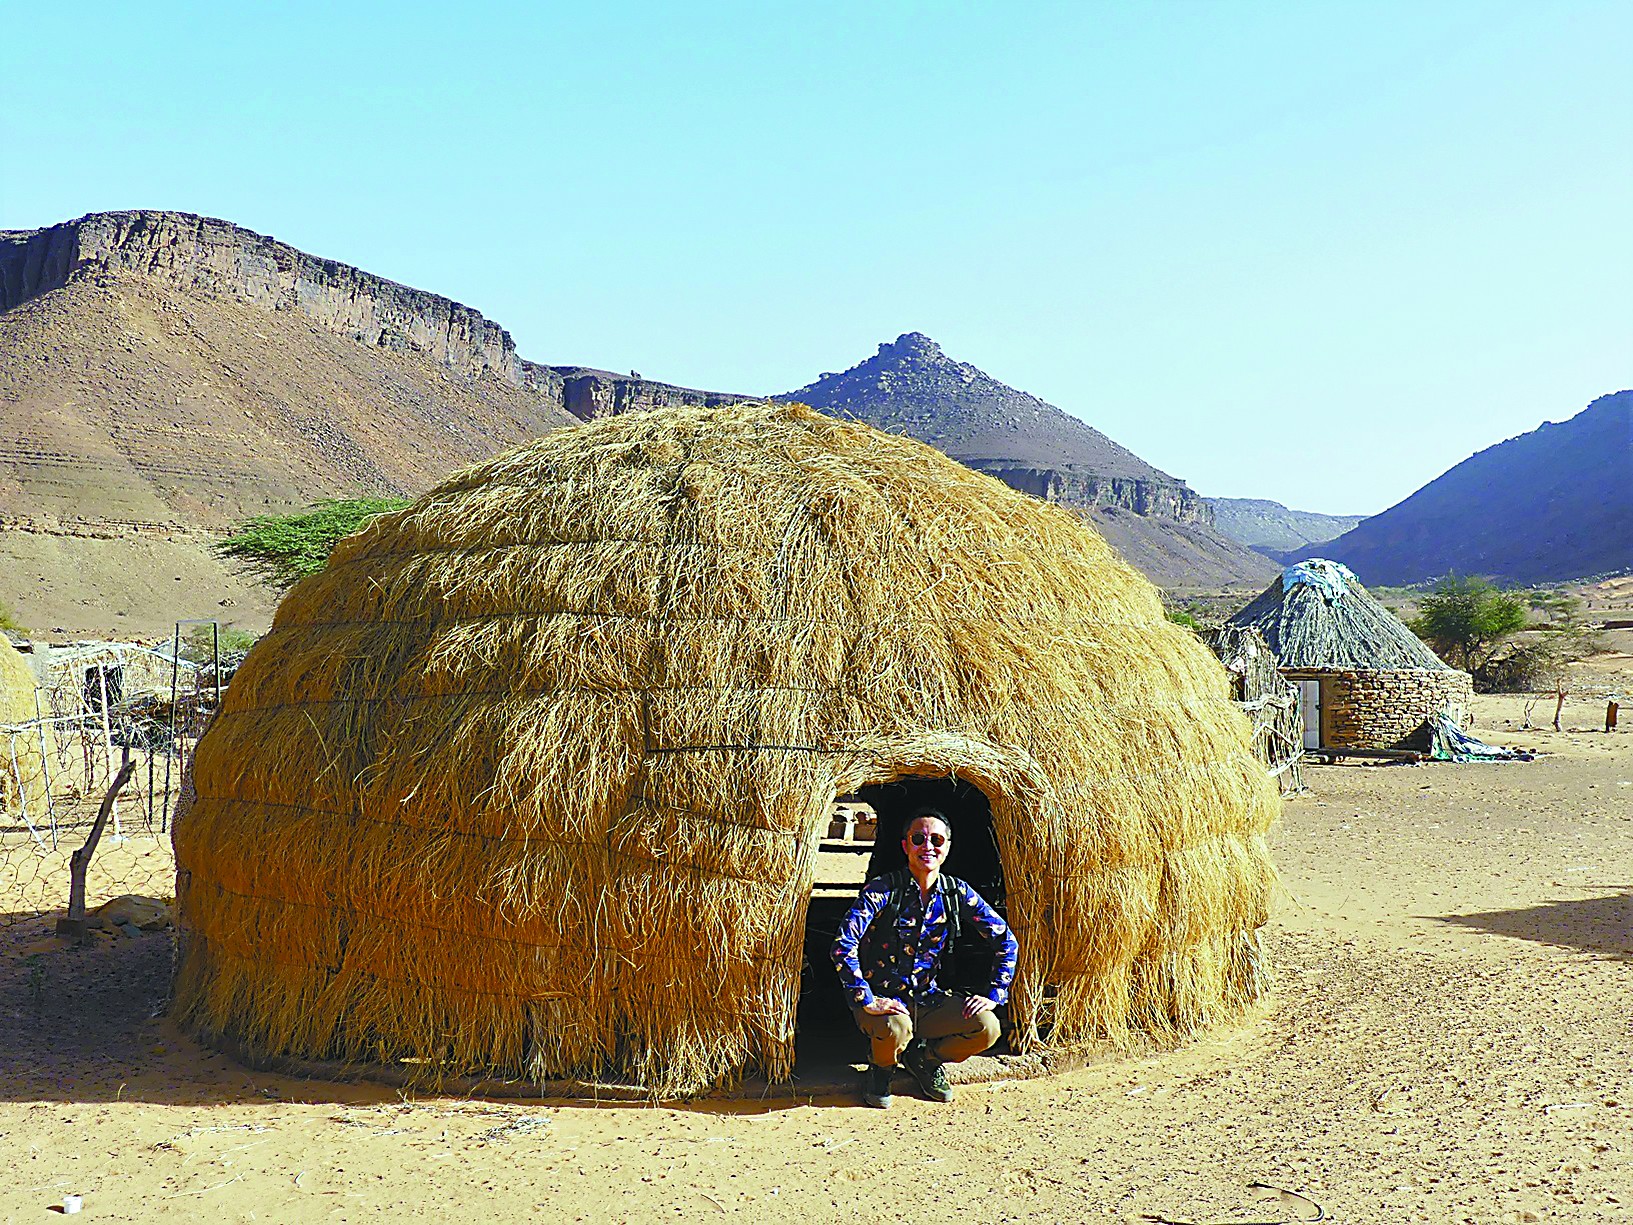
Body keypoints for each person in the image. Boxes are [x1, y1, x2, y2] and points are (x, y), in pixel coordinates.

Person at [830, 807, 1019, 1108]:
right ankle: (881, 1070)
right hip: (884, 1002)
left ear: (947, 847)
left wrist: (995, 993)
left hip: (928, 1001)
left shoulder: (957, 893)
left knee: (987, 1027)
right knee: (895, 1028)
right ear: (905, 845)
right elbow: (843, 943)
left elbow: (1006, 940)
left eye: (937, 840)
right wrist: (865, 998)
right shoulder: (882, 891)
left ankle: (925, 1059)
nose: (927, 847)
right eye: (918, 839)